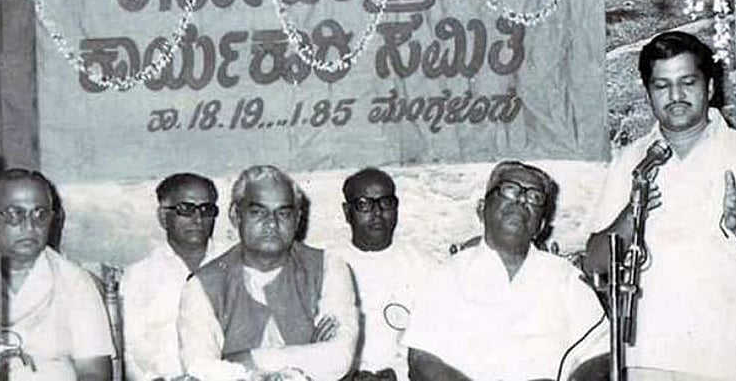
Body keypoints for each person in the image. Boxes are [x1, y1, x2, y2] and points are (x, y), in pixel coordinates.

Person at [584, 31, 736, 381]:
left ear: (709, 88)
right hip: (644, 359)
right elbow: (594, 261)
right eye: (662, 86)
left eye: (687, 82)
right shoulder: (631, 161)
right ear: (649, 94)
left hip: (723, 360)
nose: (675, 96)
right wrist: (630, 218)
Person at [404, 161, 606, 381]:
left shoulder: (566, 278)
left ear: (541, 225)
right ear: (481, 209)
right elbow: (422, 360)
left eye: (534, 198)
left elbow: (601, 355)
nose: (521, 201)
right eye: (510, 190)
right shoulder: (446, 275)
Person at [0, 168, 114, 381]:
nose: (29, 226)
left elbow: (94, 371)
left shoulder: (76, 283)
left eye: (40, 214)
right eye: (15, 214)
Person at [177, 165, 357, 380]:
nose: (271, 223)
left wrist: (240, 360)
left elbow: (338, 358)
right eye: (258, 212)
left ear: (297, 219)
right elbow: (202, 371)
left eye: (283, 213)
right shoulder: (202, 285)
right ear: (235, 216)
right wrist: (307, 357)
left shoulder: (329, 268)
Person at [121, 173, 227, 381]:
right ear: (163, 217)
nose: (197, 219)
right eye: (185, 210)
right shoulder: (138, 277)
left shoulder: (232, 264)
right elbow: (128, 353)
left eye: (206, 210)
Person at [336, 168, 432, 380]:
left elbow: (435, 342)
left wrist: (397, 373)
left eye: (386, 203)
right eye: (364, 204)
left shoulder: (424, 265)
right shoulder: (327, 264)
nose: (377, 212)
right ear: (347, 212)